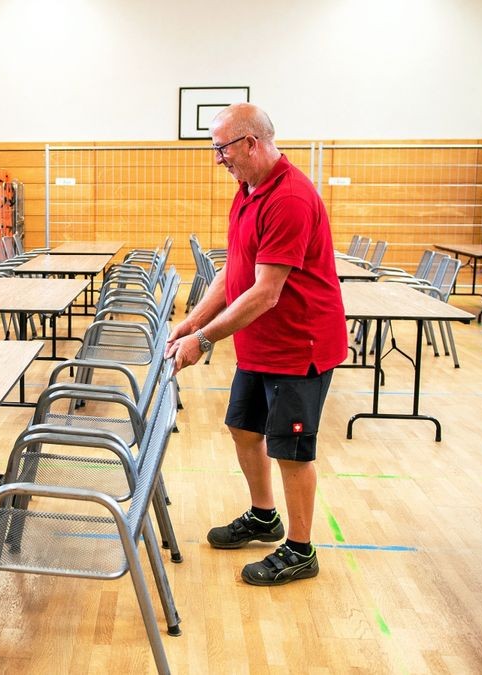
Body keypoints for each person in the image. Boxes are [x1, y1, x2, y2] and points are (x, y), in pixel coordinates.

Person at [165, 103, 347, 586]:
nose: (218, 158)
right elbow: (235, 271)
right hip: (260, 343)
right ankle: (265, 517)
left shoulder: (290, 198)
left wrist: (203, 341)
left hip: (298, 345)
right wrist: (192, 321)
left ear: (251, 142)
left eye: (221, 148)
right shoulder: (247, 190)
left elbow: (267, 291)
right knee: (244, 428)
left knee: (291, 449)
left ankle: (302, 550)